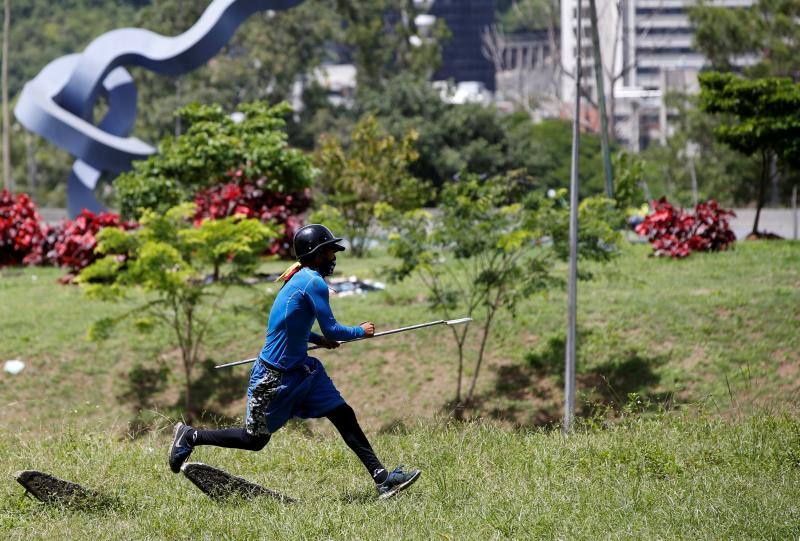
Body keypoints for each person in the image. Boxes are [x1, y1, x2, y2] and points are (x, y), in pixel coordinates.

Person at [168, 224, 421, 499]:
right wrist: (362, 331)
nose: (333, 257)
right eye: (328, 252)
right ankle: (191, 436)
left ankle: (382, 479)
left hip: (304, 371)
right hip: (273, 380)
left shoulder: (302, 278)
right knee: (254, 441)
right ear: (314, 254)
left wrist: (318, 341)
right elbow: (333, 330)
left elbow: (294, 326)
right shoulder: (312, 282)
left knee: (342, 414)